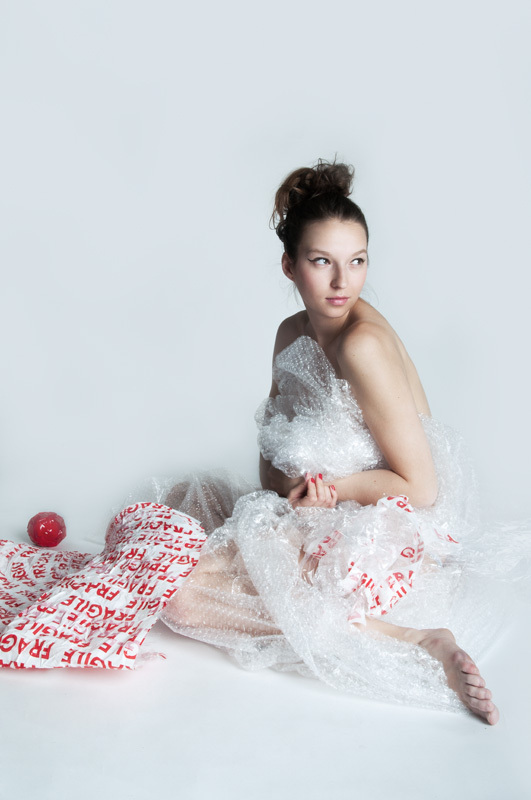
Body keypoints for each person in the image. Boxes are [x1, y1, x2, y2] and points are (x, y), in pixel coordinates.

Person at [160, 159, 504, 724]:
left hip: (387, 525)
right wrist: (295, 493)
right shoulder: (290, 335)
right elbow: (272, 453)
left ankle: (417, 638)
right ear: (290, 266)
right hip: (323, 509)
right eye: (323, 262)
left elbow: (421, 487)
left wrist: (333, 492)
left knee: (186, 598)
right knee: (176, 544)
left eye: (357, 261)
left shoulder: (361, 346)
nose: (343, 282)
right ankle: (319, 599)